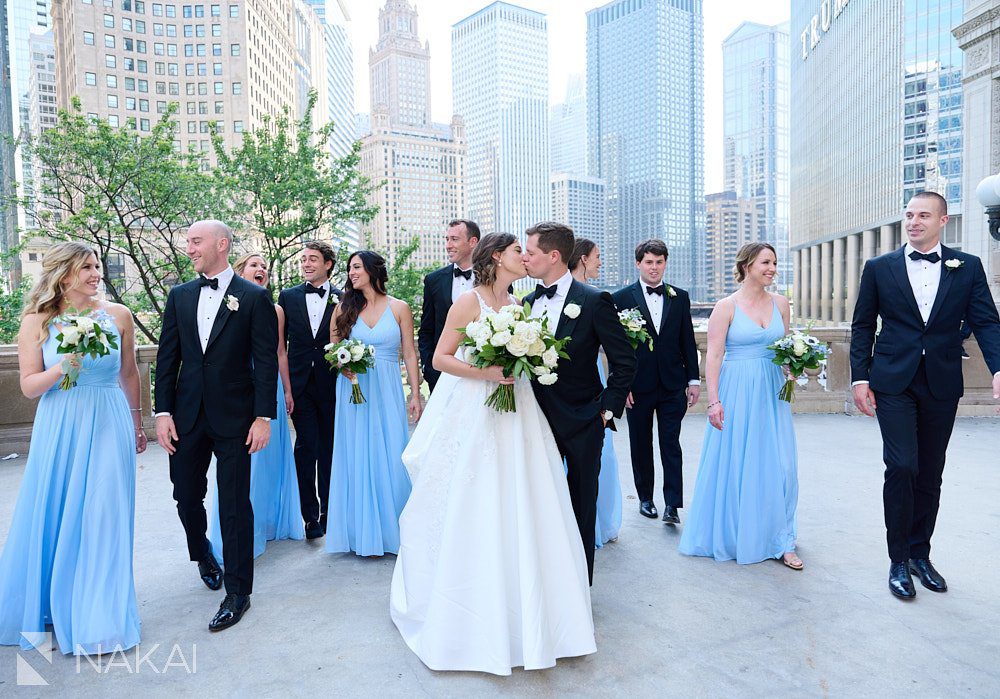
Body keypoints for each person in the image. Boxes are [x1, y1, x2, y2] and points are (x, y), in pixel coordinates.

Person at [390, 233, 596, 675]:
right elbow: (442, 359)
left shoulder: (520, 308)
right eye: (517, 252)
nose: (525, 258)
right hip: (474, 409)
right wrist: (487, 372)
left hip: (518, 409)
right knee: (477, 497)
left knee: (527, 496)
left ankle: (533, 612)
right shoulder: (468, 302)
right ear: (496, 258)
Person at [850, 191, 1000, 600]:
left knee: (930, 470)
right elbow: (863, 325)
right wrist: (859, 378)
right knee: (901, 466)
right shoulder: (879, 268)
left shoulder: (967, 267)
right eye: (909, 215)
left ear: (943, 221)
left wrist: (999, 367)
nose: (914, 222)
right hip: (892, 381)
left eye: (923, 215)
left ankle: (920, 554)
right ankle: (897, 559)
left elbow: (986, 321)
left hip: (941, 382)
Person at [0, 242, 145, 655]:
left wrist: (137, 424)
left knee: (104, 514)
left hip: (109, 419)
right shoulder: (37, 320)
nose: (96, 273)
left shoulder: (118, 315)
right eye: (87, 267)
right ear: (64, 274)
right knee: (59, 511)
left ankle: (98, 616)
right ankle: (51, 604)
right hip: (61, 422)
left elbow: (129, 373)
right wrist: (66, 363)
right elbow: (29, 387)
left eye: (98, 266)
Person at [155, 220, 278, 632]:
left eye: (195, 241)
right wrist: (162, 413)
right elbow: (167, 360)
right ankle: (202, 552)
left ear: (221, 244)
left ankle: (239, 592)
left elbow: (265, 362)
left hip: (237, 418)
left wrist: (264, 417)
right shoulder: (180, 296)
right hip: (187, 416)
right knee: (186, 495)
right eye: (187, 241)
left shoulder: (255, 298)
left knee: (234, 503)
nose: (188, 247)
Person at [523, 222, 636, 583]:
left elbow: (624, 361)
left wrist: (605, 411)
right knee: (540, 502)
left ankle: (578, 583)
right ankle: (545, 582)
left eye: (531, 252)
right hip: (535, 419)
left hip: (585, 419)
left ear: (553, 256)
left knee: (582, 502)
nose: (525, 257)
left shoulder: (593, 300)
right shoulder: (526, 303)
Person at [678, 243, 802, 569]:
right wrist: (714, 401)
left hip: (773, 389)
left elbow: (785, 348)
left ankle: (782, 538)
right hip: (737, 389)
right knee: (739, 462)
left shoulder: (781, 304)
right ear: (747, 266)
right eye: (766, 262)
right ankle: (739, 533)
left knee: (781, 465)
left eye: (775, 262)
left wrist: (796, 366)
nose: (773, 268)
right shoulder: (726, 306)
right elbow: (714, 356)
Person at [325, 251, 422, 557]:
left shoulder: (400, 307)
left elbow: (409, 353)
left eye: (356, 267)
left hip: (387, 388)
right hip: (353, 388)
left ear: (372, 270)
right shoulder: (343, 307)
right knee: (355, 453)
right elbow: (333, 349)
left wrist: (415, 394)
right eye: (350, 268)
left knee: (392, 452)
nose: (351, 273)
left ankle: (394, 531)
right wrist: (343, 366)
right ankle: (357, 534)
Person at [208, 253, 305, 558]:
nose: (261, 269)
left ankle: (268, 522)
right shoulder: (221, 302)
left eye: (264, 266)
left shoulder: (274, 309)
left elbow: (279, 353)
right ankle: (238, 530)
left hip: (267, 388)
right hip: (235, 388)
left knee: (269, 459)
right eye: (254, 265)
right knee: (241, 461)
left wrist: (287, 391)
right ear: (239, 271)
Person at [612, 239, 700, 525]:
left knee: (670, 443)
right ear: (638, 263)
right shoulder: (620, 298)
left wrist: (694, 379)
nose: (654, 267)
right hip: (637, 385)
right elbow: (616, 347)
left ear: (665, 263)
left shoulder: (679, 296)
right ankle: (646, 498)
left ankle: (672, 504)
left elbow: (688, 340)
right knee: (640, 442)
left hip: (673, 384)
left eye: (659, 262)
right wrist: (620, 385)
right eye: (648, 262)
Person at [277, 241, 342, 540]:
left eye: (313, 259)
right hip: (300, 386)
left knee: (330, 448)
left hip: (333, 385)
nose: (306, 264)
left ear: (328, 264)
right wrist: (287, 390)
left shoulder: (344, 297)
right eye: (304, 259)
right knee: (306, 446)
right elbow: (281, 348)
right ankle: (309, 516)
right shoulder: (287, 297)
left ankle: (329, 509)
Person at [568, 238, 622, 546]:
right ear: (583, 259)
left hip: (595, 377)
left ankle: (594, 522)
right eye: (598, 257)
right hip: (570, 381)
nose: (600, 262)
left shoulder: (599, 298)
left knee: (601, 452)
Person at [418, 219, 480, 392]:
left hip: (482, 372)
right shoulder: (433, 280)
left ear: (473, 242)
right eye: (447, 239)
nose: (448, 245)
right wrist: (429, 368)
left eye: (454, 239)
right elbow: (426, 330)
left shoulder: (492, 278)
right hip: (442, 373)